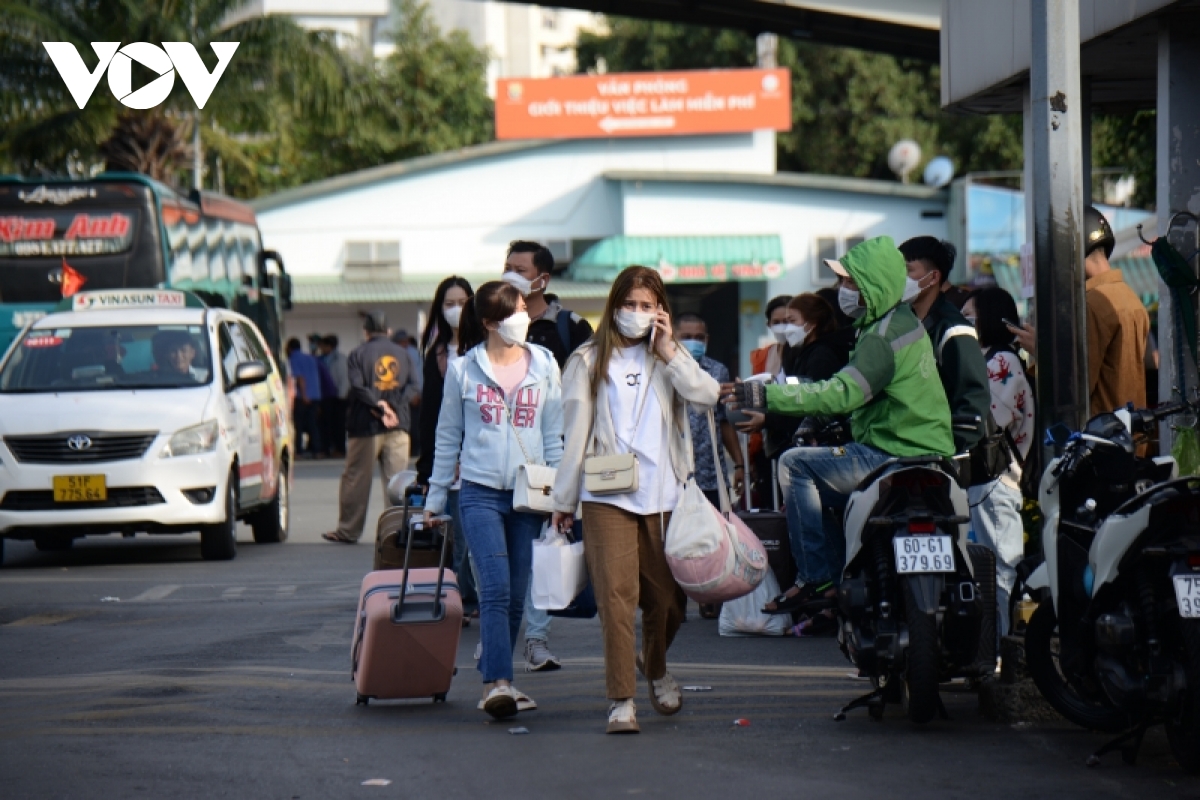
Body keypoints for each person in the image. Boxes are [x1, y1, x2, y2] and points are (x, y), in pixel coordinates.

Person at [727, 237, 954, 620]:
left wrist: (766, 397)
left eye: (851, 283)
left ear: (875, 285)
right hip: (925, 452)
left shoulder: (881, 337)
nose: (843, 291)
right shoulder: (895, 325)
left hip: (888, 454)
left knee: (796, 463)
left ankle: (817, 577)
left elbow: (842, 394)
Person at [550, 266, 720, 735]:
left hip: (665, 495)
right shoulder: (587, 360)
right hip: (606, 495)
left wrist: (669, 352)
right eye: (630, 305)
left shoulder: (669, 355)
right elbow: (576, 436)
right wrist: (563, 499)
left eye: (647, 306)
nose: (637, 314)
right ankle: (621, 699)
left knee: (669, 603)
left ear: (660, 311)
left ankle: (655, 663)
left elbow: (706, 396)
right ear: (614, 306)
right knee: (616, 600)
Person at [423, 281, 564, 720]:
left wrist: (563, 499)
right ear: (488, 323)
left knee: (519, 593)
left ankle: (496, 670)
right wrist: (434, 499)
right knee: (496, 587)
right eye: (513, 312)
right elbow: (447, 437)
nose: (523, 317)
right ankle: (497, 684)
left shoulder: (544, 364)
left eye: (524, 309)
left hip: (530, 494)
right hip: (479, 492)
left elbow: (553, 436)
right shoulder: (465, 370)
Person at [502, 240, 595, 672]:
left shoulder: (570, 327)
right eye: (507, 267)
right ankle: (499, 638)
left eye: (520, 268)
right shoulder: (492, 320)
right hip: (496, 458)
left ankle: (535, 640)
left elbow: (592, 390)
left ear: (543, 278)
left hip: (548, 454)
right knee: (496, 558)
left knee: (542, 546)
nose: (511, 274)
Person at [962, 288, 1035, 638]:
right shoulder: (989, 359)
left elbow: (988, 419)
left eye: (969, 316)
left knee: (1000, 572)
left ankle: (1004, 655)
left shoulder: (1000, 363)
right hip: (987, 480)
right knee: (990, 573)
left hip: (995, 479)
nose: (963, 324)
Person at [321, 312, 418, 544]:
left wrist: (379, 406)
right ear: (388, 331)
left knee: (356, 478)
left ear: (366, 332)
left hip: (365, 425)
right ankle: (396, 533)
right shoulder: (404, 354)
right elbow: (414, 386)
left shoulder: (358, 354)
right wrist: (392, 406)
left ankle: (348, 531)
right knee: (397, 482)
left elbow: (357, 386)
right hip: (399, 425)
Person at [416, 276, 479, 617]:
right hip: (450, 463)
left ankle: (478, 600)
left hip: (482, 458)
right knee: (456, 540)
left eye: (462, 302)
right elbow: (429, 416)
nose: (456, 310)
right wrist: (427, 470)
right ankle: (464, 599)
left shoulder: (485, 347)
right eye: (449, 303)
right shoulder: (437, 354)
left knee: (474, 539)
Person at [899, 236, 992, 455]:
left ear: (933, 277)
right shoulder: (903, 324)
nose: (899, 278)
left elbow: (973, 399)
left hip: (938, 458)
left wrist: (948, 450)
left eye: (908, 270)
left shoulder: (953, 329)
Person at [735, 293, 852, 463]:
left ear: (812, 324)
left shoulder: (822, 356)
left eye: (791, 321)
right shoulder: (802, 353)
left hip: (819, 449)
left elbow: (809, 403)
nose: (786, 328)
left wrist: (768, 419)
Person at [1081, 205, 1150, 415]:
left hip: (1103, 437)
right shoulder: (1131, 297)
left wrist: (1041, 352)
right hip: (1133, 434)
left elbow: (1078, 386)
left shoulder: (1093, 303)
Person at [675, 313, 744, 508]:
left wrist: (739, 464)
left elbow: (724, 420)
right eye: (686, 337)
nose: (693, 342)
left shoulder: (717, 371)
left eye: (699, 337)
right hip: (673, 474)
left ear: (707, 339)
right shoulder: (663, 369)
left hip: (710, 473)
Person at [286, 337, 322, 458]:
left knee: (299, 425)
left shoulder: (293, 358)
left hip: (303, 396)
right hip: (315, 394)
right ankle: (317, 450)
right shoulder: (311, 358)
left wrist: (304, 394)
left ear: (290, 348)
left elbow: (300, 378)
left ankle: (299, 451)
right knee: (313, 424)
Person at [318, 335, 349, 458]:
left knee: (339, 425)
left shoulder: (340, 359)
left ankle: (340, 449)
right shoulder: (324, 359)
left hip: (339, 397)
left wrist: (342, 395)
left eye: (323, 346)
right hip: (328, 396)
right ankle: (329, 448)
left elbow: (344, 379)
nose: (321, 349)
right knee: (327, 424)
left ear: (329, 346)